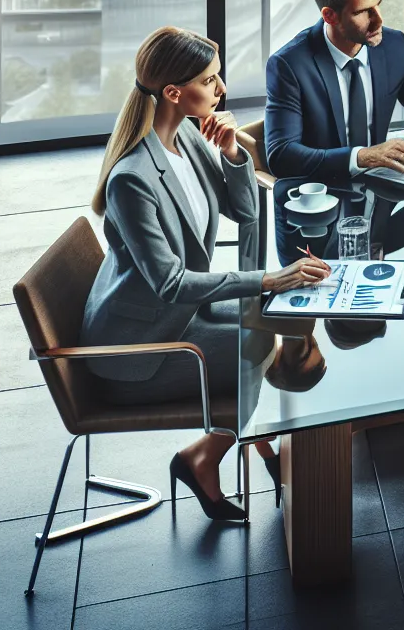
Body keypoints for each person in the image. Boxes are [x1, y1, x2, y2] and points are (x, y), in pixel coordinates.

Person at [82, 27, 331, 522]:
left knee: (278, 323)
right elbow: (171, 283)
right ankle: (217, 453)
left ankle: (238, 442)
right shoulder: (132, 179)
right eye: (209, 81)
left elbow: (246, 213)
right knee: (260, 344)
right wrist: (268, 280)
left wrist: (234, 154)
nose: (220, 91)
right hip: (135, 347)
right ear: (173, 93)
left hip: (176, 313)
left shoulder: (188, 140)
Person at [265, 0, 404, 265]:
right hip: (314, 222)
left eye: (378, 4)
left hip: (380, 203)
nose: (379, 19)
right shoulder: (290, 64)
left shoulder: (394, 46)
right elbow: (282, 155)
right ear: (330, 15)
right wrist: (364, 156)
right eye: (363, 11)